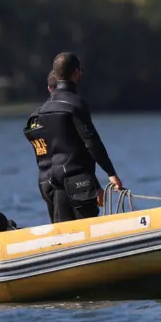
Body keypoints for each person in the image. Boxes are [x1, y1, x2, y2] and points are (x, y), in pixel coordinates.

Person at [24, 52, 122, 223]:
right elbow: (91, 141)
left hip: (56, 182)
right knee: (87, 233)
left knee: (64, 235)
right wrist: (111, 173)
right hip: (79, 181)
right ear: (76, 72)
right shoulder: (75, 104)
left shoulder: (43, 110)